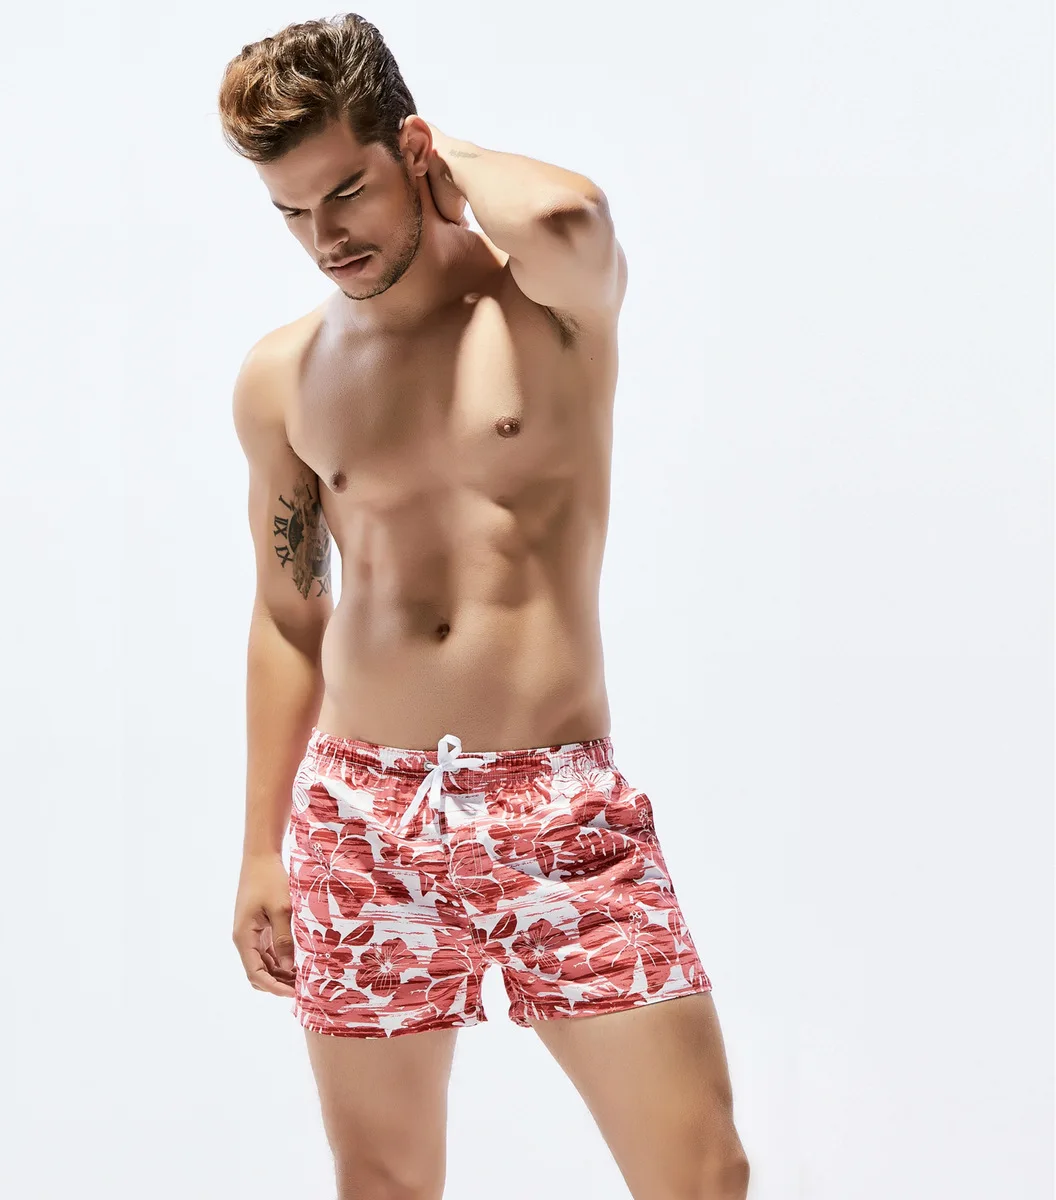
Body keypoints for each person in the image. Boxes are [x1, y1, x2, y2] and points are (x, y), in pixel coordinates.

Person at [217, 13, 749, 1200]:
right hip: (362, 821)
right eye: (292, 213)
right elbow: (289, 614)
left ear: (412, 151)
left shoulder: (549, 309)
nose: (326, 239)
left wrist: (446, 156)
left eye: (347, 191)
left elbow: (568, 212)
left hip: (557, 811)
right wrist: (262, 846)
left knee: (699, 1174)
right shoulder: (283, 378)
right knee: (384, 1182)